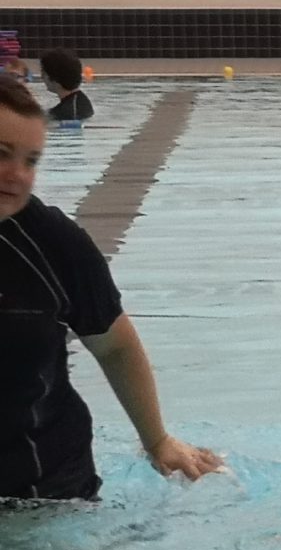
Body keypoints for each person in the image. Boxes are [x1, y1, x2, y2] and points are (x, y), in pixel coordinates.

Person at [0, 76, 220, 501]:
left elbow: (115, 345)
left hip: (42, 495)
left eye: (31, 161)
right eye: (1, 154)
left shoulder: (52, 244)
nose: (17, 176)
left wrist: (158, 441)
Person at [40, 51, 93, 124]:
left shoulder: (67, 112)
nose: (41, 77)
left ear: (54, 79)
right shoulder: (78, 100)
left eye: (43, 73)